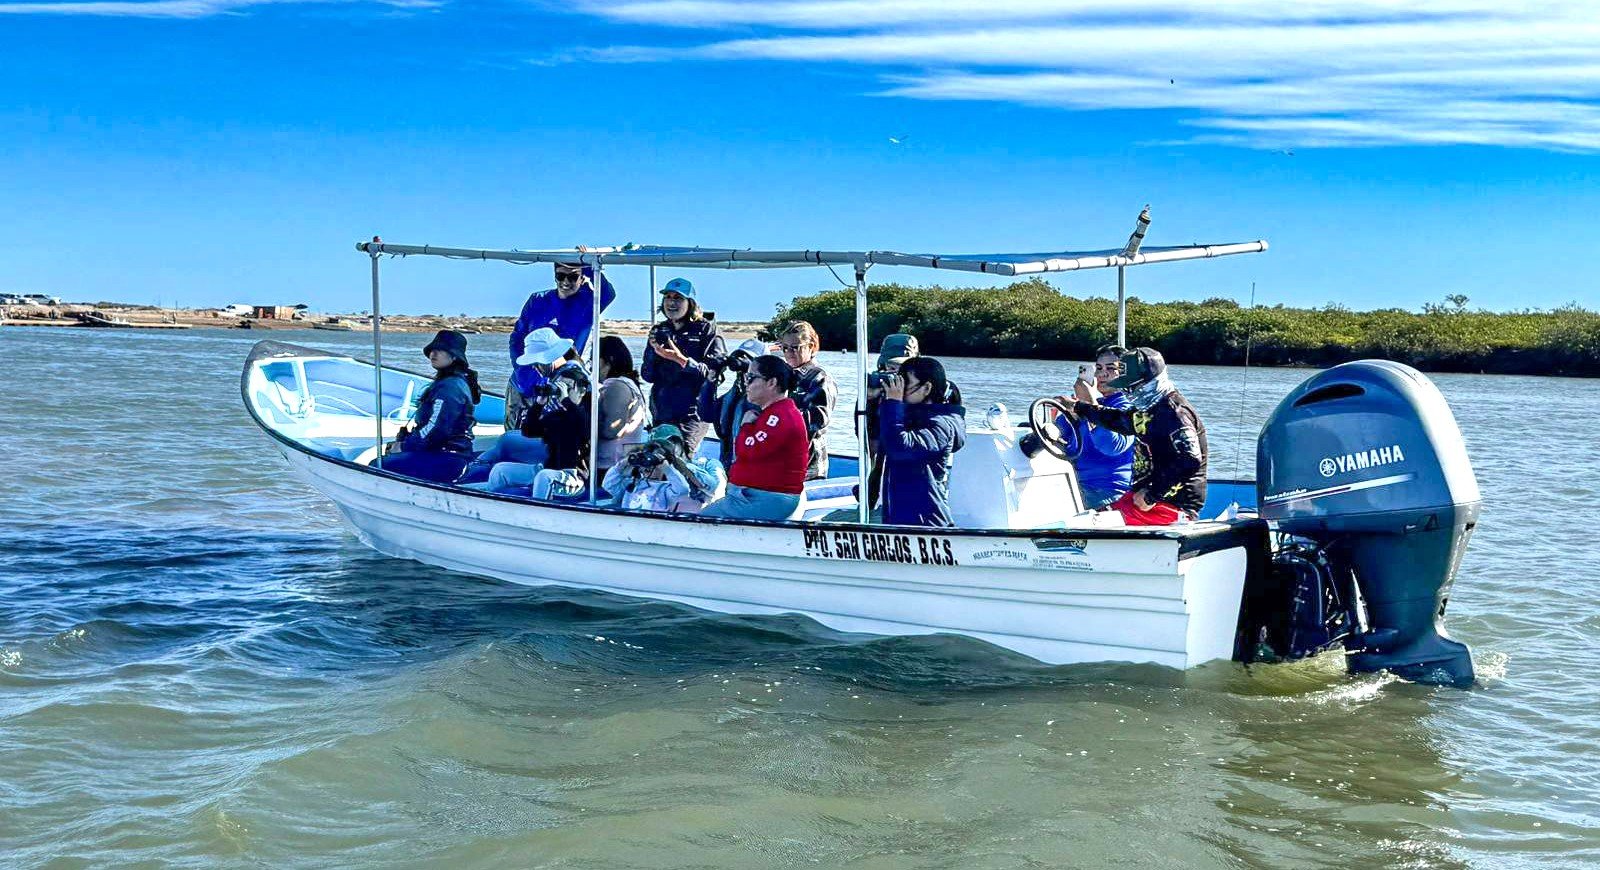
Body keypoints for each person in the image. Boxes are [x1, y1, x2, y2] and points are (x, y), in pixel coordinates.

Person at [1070, 347, 1207, 526]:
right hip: (1140, 498)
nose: (1128, 392)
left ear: (1149, 382)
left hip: (1172, 506)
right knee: (1087, 517)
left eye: (1132, 386)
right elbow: (1118, 420)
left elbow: (1190, 458)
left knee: (1091, 524)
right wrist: (1080, 407)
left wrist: (1152, 494)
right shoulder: (1150, 409)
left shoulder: (1175, 413)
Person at [505, 262, 618, 429]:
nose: (566, 282)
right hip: (524, 380)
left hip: (563, 384)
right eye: (561, 276)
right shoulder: (537, 300)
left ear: (582, 278)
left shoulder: (589, 302)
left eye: (573, 277)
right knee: (515, 433)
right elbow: (517, 338)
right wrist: (521, 369)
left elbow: (608, 293)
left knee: (554, 432)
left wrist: (587, 263)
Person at [485, 328, 593, 498]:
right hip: (549, 466)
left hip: (574, 474)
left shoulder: (580, 395)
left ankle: (538, 513)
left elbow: (584, 429)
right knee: (500, 471)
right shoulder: (556, 410)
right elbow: (529, 431)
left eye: (538, 362)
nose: (535, 367)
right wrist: (539, 404)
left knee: (544, 477)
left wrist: (567, 401)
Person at [701, 354, 809, 521]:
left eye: (751, 378)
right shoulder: (775, 413)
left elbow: (747, 449)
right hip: (758, 496)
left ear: (772, 383)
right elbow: (706, 412)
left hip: (765, 499)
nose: (746, 383)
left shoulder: (779, 416)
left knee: (702, 520)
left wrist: (746, 426)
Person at [381, 329, 482, 483]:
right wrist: (405, 440)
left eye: (441, 350)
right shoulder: (451, 381)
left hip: (447, 456)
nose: (433, 354)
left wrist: (404, 447)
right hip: (447, 453)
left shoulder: (450, 387)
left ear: (454, 356)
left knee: (378, 465)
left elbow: (436, 429)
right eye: (432, 350)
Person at [878, 356, 966, 527]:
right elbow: (880, 440)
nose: (899, 389)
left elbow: (899, 447)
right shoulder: (910, 418)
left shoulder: (941, 425)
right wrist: (878, 402)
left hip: (926, 525)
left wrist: (893, 404)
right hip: (905, 522)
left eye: (905, 384)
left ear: (926, 388)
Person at [642, 277, 725, 455]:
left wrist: (681, 360)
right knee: (658, 459)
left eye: (678, 298)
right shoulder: (660, 330)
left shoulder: (707, 330)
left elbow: (714, 374)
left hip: (693, 414)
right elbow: (647, 375)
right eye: (668, 297)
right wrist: (654, 352)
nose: (671, 303)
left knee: (682, 458)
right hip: (661, 412)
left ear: (690, 303)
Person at [1060, 344, 1136, 509]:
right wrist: (1068, 412)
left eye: (1111, 368)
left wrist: (1089, 404)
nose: (1102, 374)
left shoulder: (1129, 408)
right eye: (1099, 368)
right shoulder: (1083, 405)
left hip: (1109, 491)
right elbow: (1054, 435)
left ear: (1125, 372)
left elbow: (1111, 446)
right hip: (1076, 485)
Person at [602, 424, 727, 514]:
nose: (668, 450)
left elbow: (715, 489)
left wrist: (675, 465)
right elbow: (609, 484)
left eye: (672, 444)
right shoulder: (636, 482)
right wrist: (626, 462)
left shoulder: (706, 465)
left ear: (681, 444)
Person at [861, 332, 919, 511]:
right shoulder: (875, 388)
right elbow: (868, 443)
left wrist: (903, 401)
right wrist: (872, 399)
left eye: (903, 368)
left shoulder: (922, 392)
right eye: (892, 367)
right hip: (880, 467)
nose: (896, 374)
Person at [778, 320, 837, 480]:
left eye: (795, 347)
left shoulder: (819, 377)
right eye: (785, 348)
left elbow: (820, 418)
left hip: (809, 463)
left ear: (811, 346)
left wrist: (781, 417)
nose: (789, 352)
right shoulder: (784, 375)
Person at [697, 338, 768, 470]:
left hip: (755, 469)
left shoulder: (767, 400)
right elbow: (706, 413)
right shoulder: (732, 397)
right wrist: (712, 378)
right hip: (730, 466)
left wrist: (752, 373)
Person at [596, 335, 651, 480]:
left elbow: (611, 430)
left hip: (610, 467)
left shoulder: (617, 386)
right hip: (622, 464)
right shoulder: (629, 384)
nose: (591, 366)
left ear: (609, 360)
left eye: (594, 359)